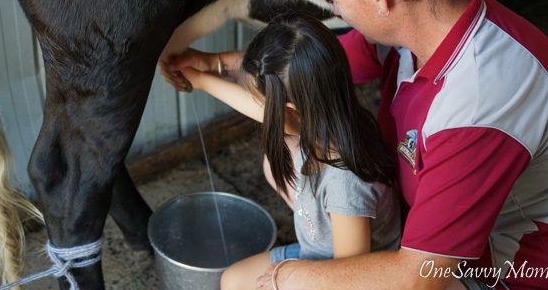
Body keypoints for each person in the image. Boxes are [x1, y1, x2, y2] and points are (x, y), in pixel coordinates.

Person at [247, 0, 548, 289]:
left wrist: (288, 276)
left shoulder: (480, 103)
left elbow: (418, 280)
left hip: (513, 276)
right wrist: (222, 63)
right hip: (437, 247)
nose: (336, 13)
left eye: (334, 2)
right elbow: (315, 65)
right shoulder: (423, 11)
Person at [161, 18, 401, 290]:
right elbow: (265, 107)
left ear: (291, 111)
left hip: (341, 274)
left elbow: (349, 276)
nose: (260, 114)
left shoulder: (345, 184)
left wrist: (283, 280)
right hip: (316, 253)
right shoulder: (328, 118)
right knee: (232, 280)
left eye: (263, 106)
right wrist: (201, 78)